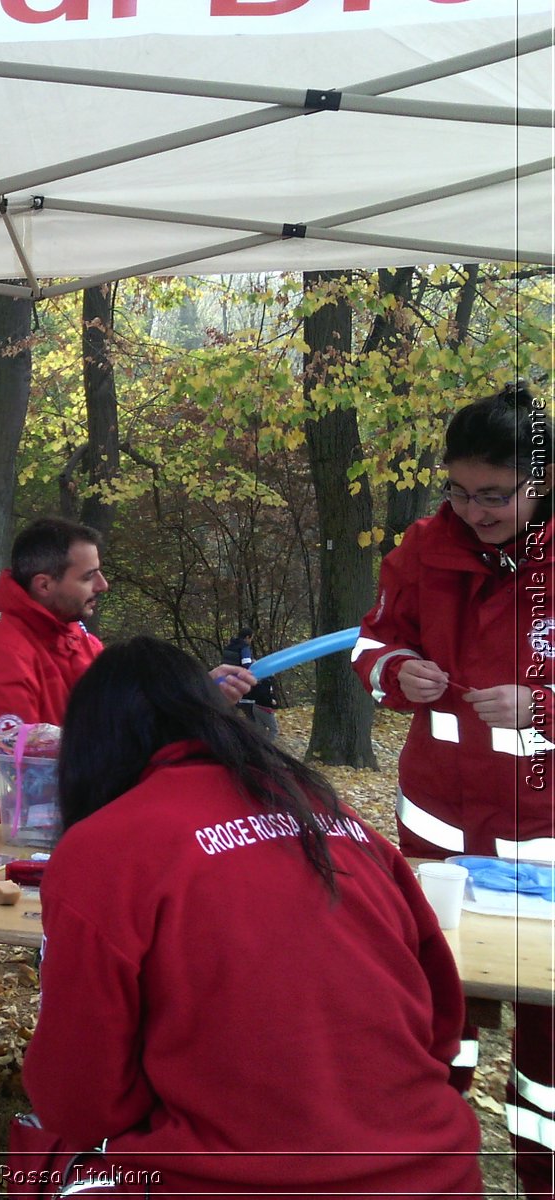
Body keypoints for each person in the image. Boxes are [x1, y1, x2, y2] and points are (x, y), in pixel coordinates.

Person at [10, 637, 480, 1197]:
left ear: (92, 745)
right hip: (437, 1167)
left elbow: (81, 1100)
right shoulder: (331, 812)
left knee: (36, 1153)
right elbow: (446, 1023)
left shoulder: (104, 846)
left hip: (239, 1180)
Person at [353, 380, 555, 1198]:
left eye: (495, 495)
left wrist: (544, 705)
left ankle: (541, 1178)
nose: (474, 510)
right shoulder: (421, 548)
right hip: (437, 827)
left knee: (547, 1042)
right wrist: (399, 672)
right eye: (460, 491)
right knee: (439, 1013)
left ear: (540, 481)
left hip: (544, 836)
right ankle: (432, 1170)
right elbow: (368, 649)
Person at [0, 518, 253, 821]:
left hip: (67, 822)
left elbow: (132, 722)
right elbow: (25, 765)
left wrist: (195, 697)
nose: (103, 585)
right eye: (88, 576)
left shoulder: (82, 643)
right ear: (45, 584)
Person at [221, 626, 279, 740]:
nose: (250, 641)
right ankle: (250, 741)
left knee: (231, 713)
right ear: (247, 637)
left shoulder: (229, 647)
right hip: (240, 685)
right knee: (251, 718)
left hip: (227, 682)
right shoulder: (244, 648)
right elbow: (246, 664)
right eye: (251, 638)